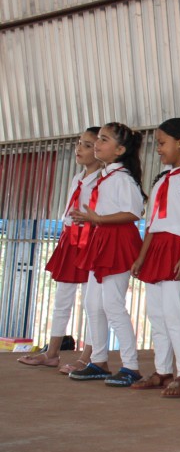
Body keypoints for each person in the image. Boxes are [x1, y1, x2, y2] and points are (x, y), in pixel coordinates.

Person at [130, 118, 180, 398]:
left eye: (162, 143)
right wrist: (142, 257)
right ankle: (162, 371)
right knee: (156, 314)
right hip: (157, 249)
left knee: (174, 314)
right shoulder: (162, 181)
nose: (158, 149)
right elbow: (152, 224)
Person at [68, 123, 146, 387]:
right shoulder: (107, 176)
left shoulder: (123, 178)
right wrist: (91, 219)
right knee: (92, 303)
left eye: (104, 140)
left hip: (118, 243)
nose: (97, 144)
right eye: (98, 139)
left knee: (113, 305)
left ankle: (131, 366)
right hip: (102, 240)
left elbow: (133, 212)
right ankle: (99, 360)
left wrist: (98, 219)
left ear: (120, 150)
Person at [18, 128, 102, 373]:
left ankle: (89, 356)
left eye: (87, 145)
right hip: (70, 240)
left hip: (91, 242)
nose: (79, 149)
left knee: (92, 302)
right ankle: (52, 352)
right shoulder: (78, 178)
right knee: (62, 298)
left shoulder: (104, 180)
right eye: (79, 143)